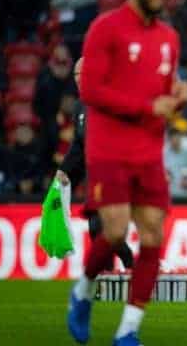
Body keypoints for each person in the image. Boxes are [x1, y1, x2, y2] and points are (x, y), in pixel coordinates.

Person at [66, 0, 187, 346]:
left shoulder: (169, 38)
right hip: (109, 149)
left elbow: (161, 92)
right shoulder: (106, 29)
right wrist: (146, 107)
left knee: (153, 235)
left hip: (148, 152)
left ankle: (128, 329)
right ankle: (83, 291)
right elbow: (92, 90)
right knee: (115, 231)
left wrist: (177, 96)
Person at [55, 57, 133, 271]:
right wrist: (65, 171)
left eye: (83, 74)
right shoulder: (80, 106)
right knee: (96, 230)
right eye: (76, 75)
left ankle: (130, 265)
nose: (79, 80)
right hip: (96, 175)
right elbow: (79, 145)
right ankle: (120, 269)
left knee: (103, 228)